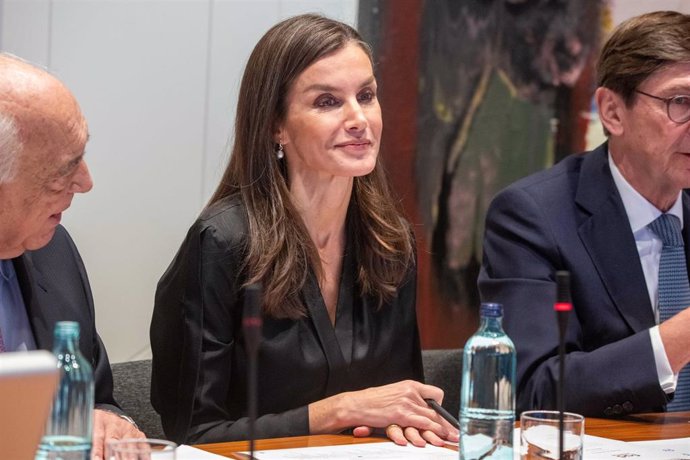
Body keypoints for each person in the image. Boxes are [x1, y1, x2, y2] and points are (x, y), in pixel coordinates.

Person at [150, 14, 458, 446]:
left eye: (366, 96)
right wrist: (339, 411)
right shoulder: (221, 243)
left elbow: (398, 403)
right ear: (277, 126)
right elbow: (194, 432)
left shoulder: (390, 240)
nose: (358, 119)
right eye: (328, 102)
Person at [479, 10, 690, 417]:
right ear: (612, 112)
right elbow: (531, 391)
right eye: (681, 102)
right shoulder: (532, 217)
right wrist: (679, 337)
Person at [0, 54, 144, 458]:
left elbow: (98, 398)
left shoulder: (53, 250)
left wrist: (113, 423)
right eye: (64, 169)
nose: (86, 182)